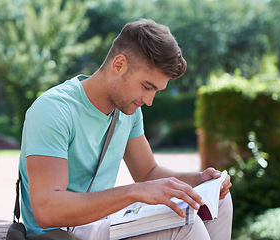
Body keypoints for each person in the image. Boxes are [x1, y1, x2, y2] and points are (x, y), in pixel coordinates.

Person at [19, 18, 233, 239]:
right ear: (119, 65)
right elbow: (47, 211)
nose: (149, 100)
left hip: (103, 222)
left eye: (156, 91)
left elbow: (148, 172)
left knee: (220, 200)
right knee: (185, 225)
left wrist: (199, 181)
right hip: (61, 232)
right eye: (146, 86)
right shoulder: (54, 110)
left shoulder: (127, 111)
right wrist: (134, 192)